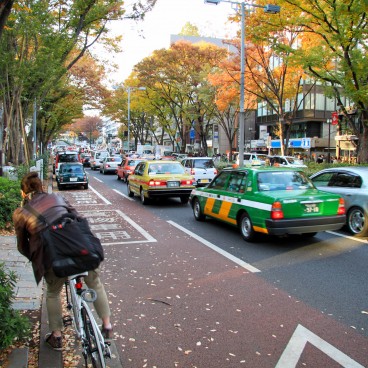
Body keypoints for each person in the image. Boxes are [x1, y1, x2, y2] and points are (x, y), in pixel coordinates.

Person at [12, 172, 113, 351]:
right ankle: (106, 324)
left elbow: (22, 247)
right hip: (80, 247)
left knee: (52, 292)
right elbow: (78, 219)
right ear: (41, 186)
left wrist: (37, 259)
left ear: (23, 193)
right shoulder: (57, 198)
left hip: (53, 256)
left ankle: (57, 336)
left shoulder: (21, 213)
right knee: (95, 283)